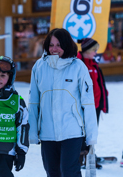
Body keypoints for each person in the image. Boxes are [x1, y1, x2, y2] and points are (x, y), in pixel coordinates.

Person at [28, 28, 98, 177]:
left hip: (72, 131)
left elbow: (88, 103)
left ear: (66, 45)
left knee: (69, 171)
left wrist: (91, 135)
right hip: (47, 133)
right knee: (52, 172)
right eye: (51, 45)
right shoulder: (39, 67)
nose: (54, 49)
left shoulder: (78, 67)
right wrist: (33, 131)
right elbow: (34, 102)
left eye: (58, 45)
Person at [77, 38, 109, 169]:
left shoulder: (93, 64)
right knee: (82, 134)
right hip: (84, 107)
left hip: (95, 106)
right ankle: (80, 159)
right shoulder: (79, 64)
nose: (96, 53)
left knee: (92, 134)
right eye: (94, 50)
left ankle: (90, 157)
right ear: (87, 50)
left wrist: (104, 97)